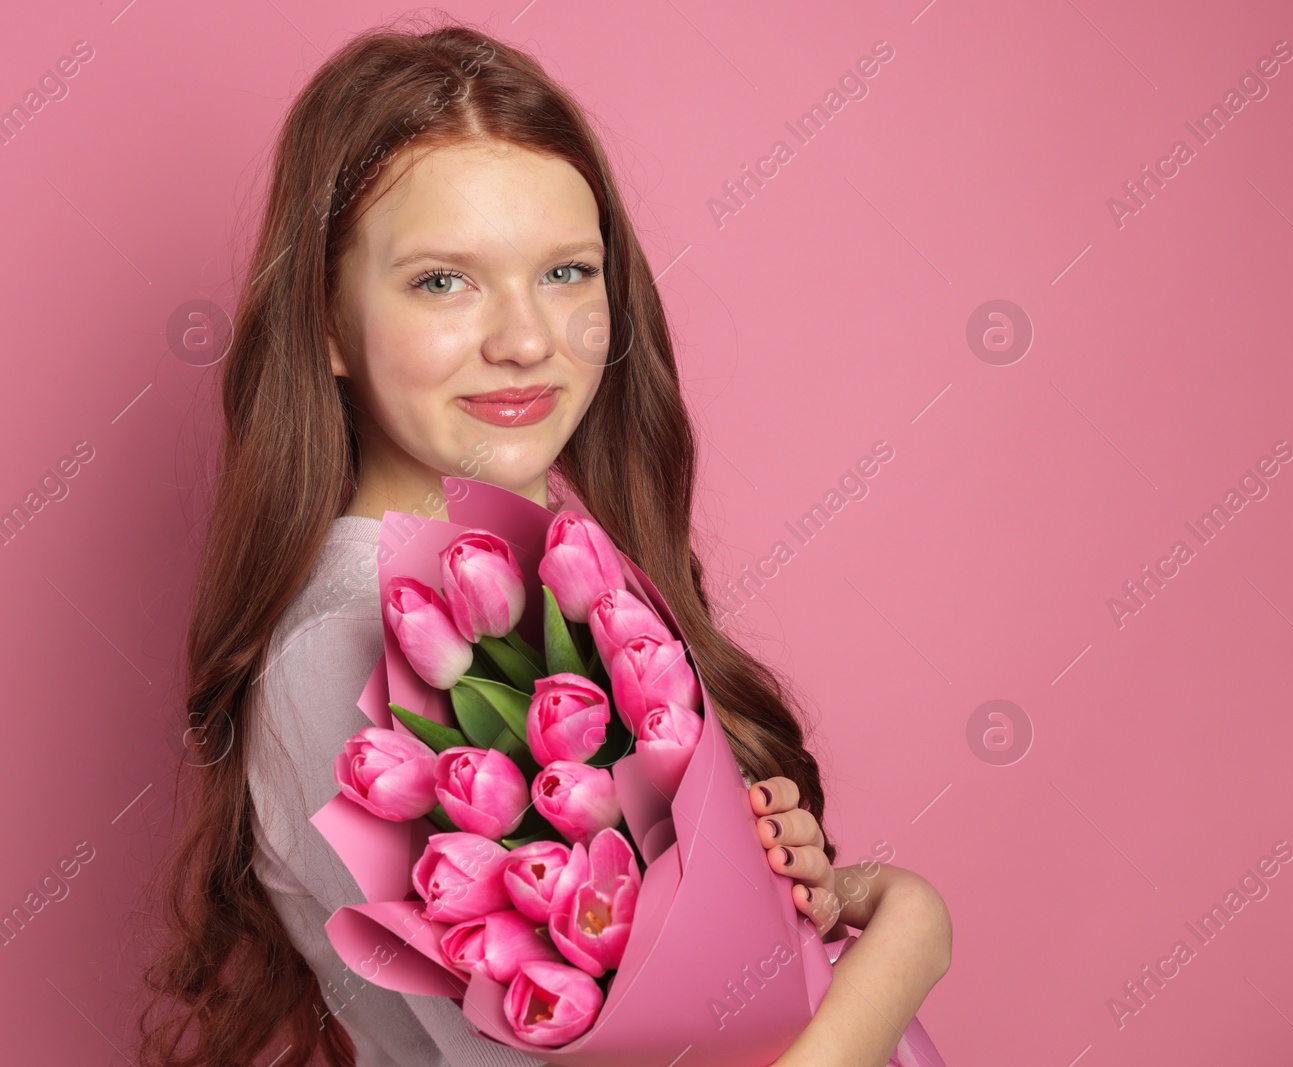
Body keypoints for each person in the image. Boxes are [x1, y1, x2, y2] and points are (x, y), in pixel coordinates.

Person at [137, 17, 950, 1067]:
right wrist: (909, 935)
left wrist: (764, 886)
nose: (526, 338)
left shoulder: (531, 572)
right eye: (443, 280)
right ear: (328, 323)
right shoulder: (359, 642)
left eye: (566, 272)